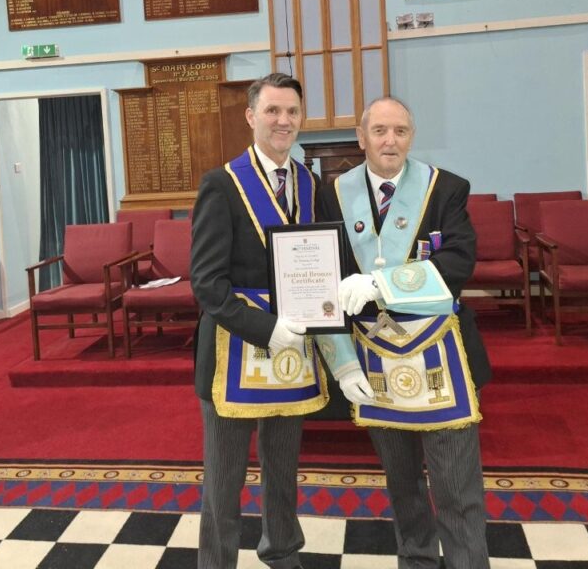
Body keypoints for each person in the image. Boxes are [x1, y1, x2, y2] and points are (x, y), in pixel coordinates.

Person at [314, 96, 492, 569]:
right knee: (402, 484)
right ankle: (416, 560)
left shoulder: (446, 188)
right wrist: (342, 362)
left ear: (411, 137)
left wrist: (381, 284)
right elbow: (324, 280)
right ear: (361, 137)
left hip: (441, 354)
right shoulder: (333, 194)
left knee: (456, 488)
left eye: (400, 131)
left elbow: (458, 263)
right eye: (379, 131)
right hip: (372, 358)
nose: (390, 141)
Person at [190, 72, 326, 569]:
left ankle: (282, 552)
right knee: (224, 480)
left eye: (292, 111)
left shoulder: (310, 183)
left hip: (294, 351)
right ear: (251, 116)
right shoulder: (221, 184)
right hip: (233, 352)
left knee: (283, 468)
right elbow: (207, 283)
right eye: (272, 110)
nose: (283, 121)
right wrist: (267, 329)